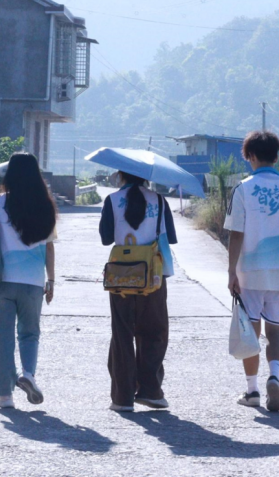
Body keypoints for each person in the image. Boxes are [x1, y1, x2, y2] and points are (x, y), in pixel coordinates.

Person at [223, 131, 279, 412]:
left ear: (250, 156)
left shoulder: (243, 189)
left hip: (251, 272)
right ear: (276, 157)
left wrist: (231, 272)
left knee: (251, 333)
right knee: (276, 332)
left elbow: (236, 234)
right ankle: (274, 377)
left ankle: (252, 391)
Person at [0, 153, 57, 409]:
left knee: (3, 338)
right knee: (30, 333)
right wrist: (51, 280)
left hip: (3, 280)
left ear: (10, 175)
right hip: (33, 282)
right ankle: (28, 374)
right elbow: (49, 246)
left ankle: (4, 396)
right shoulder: (45, 205)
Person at [99, 172, 178, 412]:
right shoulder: (160, 201)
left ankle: (122, 397)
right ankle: (151, 391)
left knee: (122, 334)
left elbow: (106, 238)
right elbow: (170, 238)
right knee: (154, 331)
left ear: (121, 174)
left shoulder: (112, 200)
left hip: (120, 275)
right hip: (153, 275)